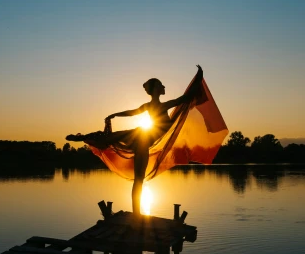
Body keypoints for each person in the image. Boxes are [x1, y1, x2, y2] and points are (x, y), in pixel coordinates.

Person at [67, 65, 203, 215]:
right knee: (136, 174)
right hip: (142, 138)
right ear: (156, 90)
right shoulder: (163, 105)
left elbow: (133, 112)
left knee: (137, 174)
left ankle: (137, 213)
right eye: (161, 85)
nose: (164, 86)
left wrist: (115, 114)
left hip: (142, 140)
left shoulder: (152, 106)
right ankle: (83, 137)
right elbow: (184, 99)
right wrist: (199, 77)